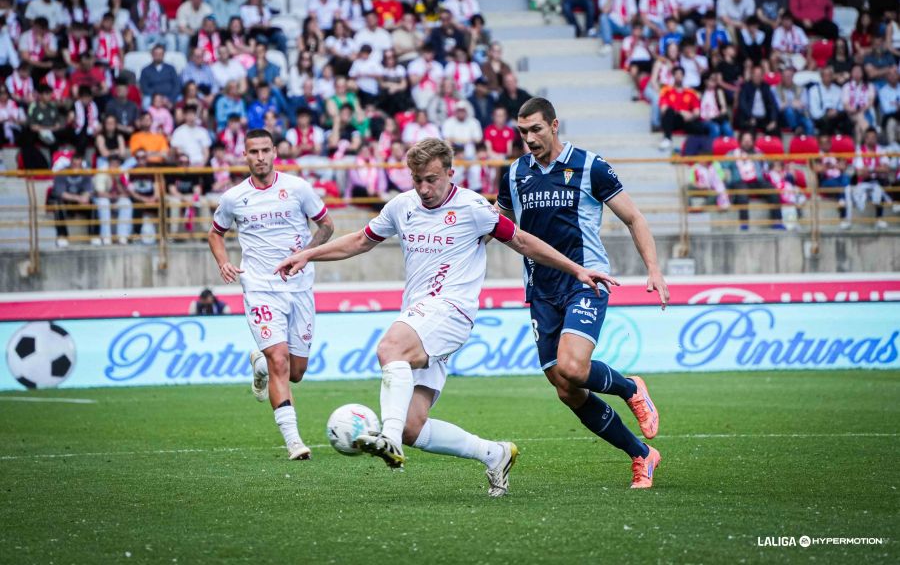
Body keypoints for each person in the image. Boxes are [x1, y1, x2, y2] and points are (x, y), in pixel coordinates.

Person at [274, 137, 614, 496]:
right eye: (417, 179)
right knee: (413, 425)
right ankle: (494, 453)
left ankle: (388, 439)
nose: (424, 188)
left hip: (451, 311)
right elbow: (360, 240)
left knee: (390, 348)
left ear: (451, 173)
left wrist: (577, 270)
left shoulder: (474, 209)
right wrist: (308, 255)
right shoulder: (401, 207)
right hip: (420, 315)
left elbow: (524, 242)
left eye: (432, 179)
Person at [491, 98, 666, 490]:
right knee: (567, 388)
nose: (529, 138)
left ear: (554, 125)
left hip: (586, 283)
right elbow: (499, 226)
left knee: (572, 367)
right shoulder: (515, 174)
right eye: (523, 132)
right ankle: (641, 455)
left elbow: (634, 217)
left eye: (536, 129)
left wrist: (653, 269)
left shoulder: (590, 166)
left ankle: (631, 388)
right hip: (540, 289)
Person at [208, 129, 335, 460]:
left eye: (265, 150)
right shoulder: (234, 198)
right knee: (280, 360)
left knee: (295, 371)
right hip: (260, 287)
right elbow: (215, 234)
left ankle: (259, 365)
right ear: (245, 155)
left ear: (275, 152)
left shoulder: (297, 189)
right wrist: (223, 263)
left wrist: (306, 253)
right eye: (253, 151)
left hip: (300, 287)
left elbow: (327, 226)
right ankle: (294, 442)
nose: (260, 157)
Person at [723, 130, 784, 230]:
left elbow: (769, 165)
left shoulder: (758, 152)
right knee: (742, 193)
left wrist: (763, 159)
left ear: (753, 141)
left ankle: (777, 222)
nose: (747, 142)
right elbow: (720, 165)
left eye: (749, 140)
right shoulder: (732, 154)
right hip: (740, 181)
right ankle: (744, 224)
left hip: (757, 181)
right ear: (740, 141)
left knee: (772, 191)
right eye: (745, 140)